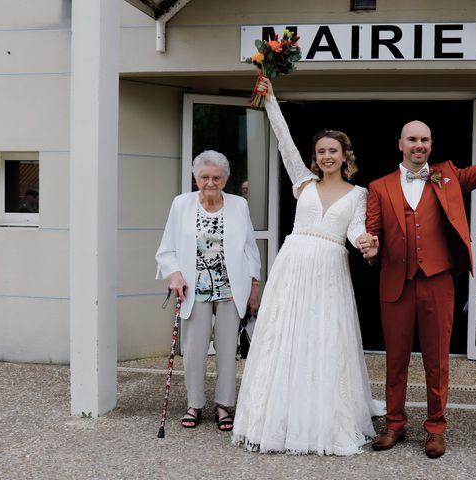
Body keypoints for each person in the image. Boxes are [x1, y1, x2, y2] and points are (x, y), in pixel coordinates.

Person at [360, 93, 476, 458]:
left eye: (425, 140)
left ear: (431, 145)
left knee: (437, 360)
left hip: (437, 281)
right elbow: (373, 230)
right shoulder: (379, 187)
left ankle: (435, 428)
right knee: (395, 359)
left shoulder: (448, 176)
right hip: (395, 284)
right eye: (412, 139)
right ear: (400, 144)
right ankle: (394, 424)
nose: (419, 145)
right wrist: (371, 247)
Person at [232, 77, 384, 455]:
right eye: (321, 151)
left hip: (330, 268)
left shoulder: (359, 194)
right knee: (285, 336)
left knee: (324, 338)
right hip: (295, 264)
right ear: (315, 157)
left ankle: (322, 417)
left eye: (333, 150)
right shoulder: (303, 183)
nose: (327, 156)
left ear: (345, 155)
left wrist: (366, 243)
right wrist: (270, 101)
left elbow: (355, 231)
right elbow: (283, 140)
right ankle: (274, 416)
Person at [155, 150, 261, 432]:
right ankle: (195, 404)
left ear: (225, 179)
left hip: (230, 287)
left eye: (216, 177)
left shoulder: (239, 205)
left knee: (228, 350)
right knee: (194, 350)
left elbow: (250, 249)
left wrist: (254, 285)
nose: (210, 182)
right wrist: (174, 274)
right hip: (195, 288)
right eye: (204, 177)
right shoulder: (182, 204)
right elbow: (167, 249)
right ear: (195, 177)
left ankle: (224, 405)